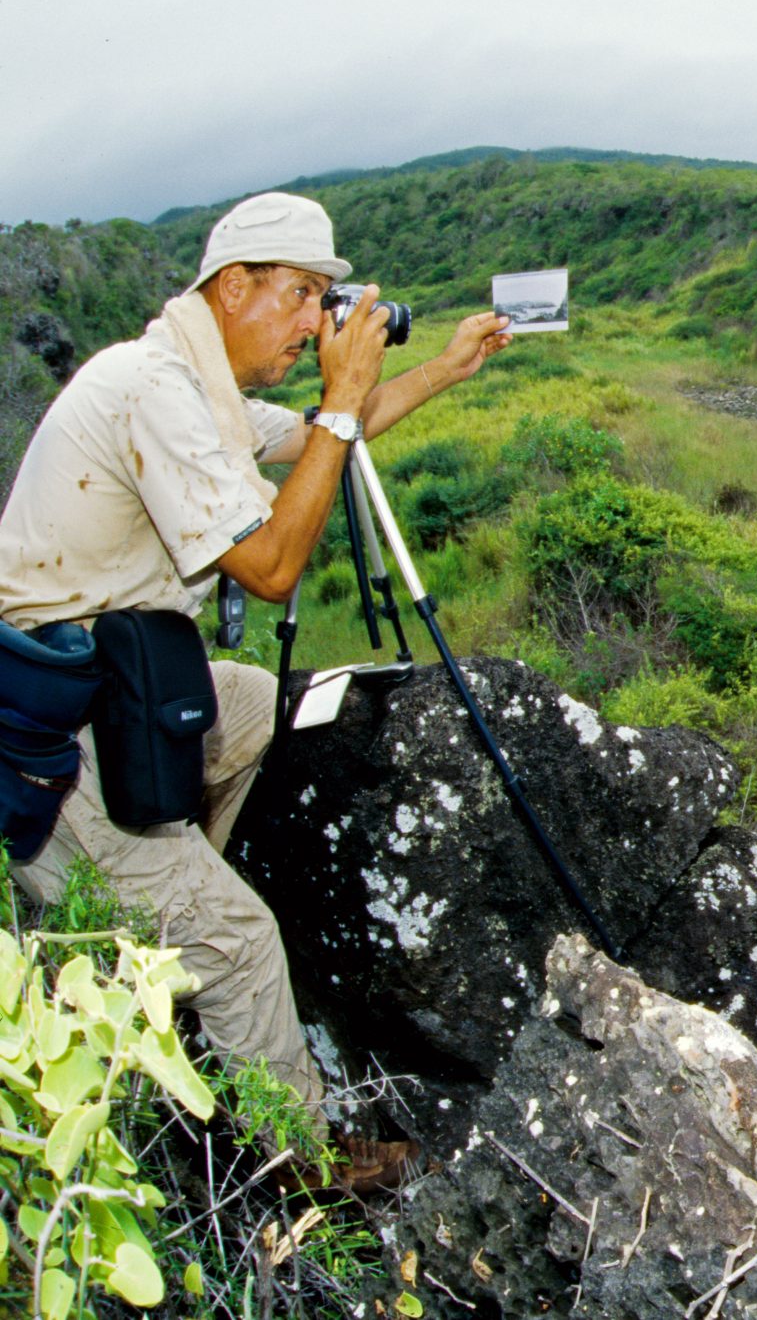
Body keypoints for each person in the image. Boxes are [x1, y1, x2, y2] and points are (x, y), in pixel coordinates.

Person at [0, 192, 509, 1188]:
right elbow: (274, 565)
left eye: (325, 300)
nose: (312, 323)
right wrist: (336, 397)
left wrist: (441, 367)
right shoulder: (152, 388)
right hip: (53, 738)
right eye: (301, 297)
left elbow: (330, 435)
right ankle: (295, 1160)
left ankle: (168, 912)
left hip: (122, 688)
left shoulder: (202, 385)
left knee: (253, 701)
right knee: (241, 939)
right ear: (232, 287)